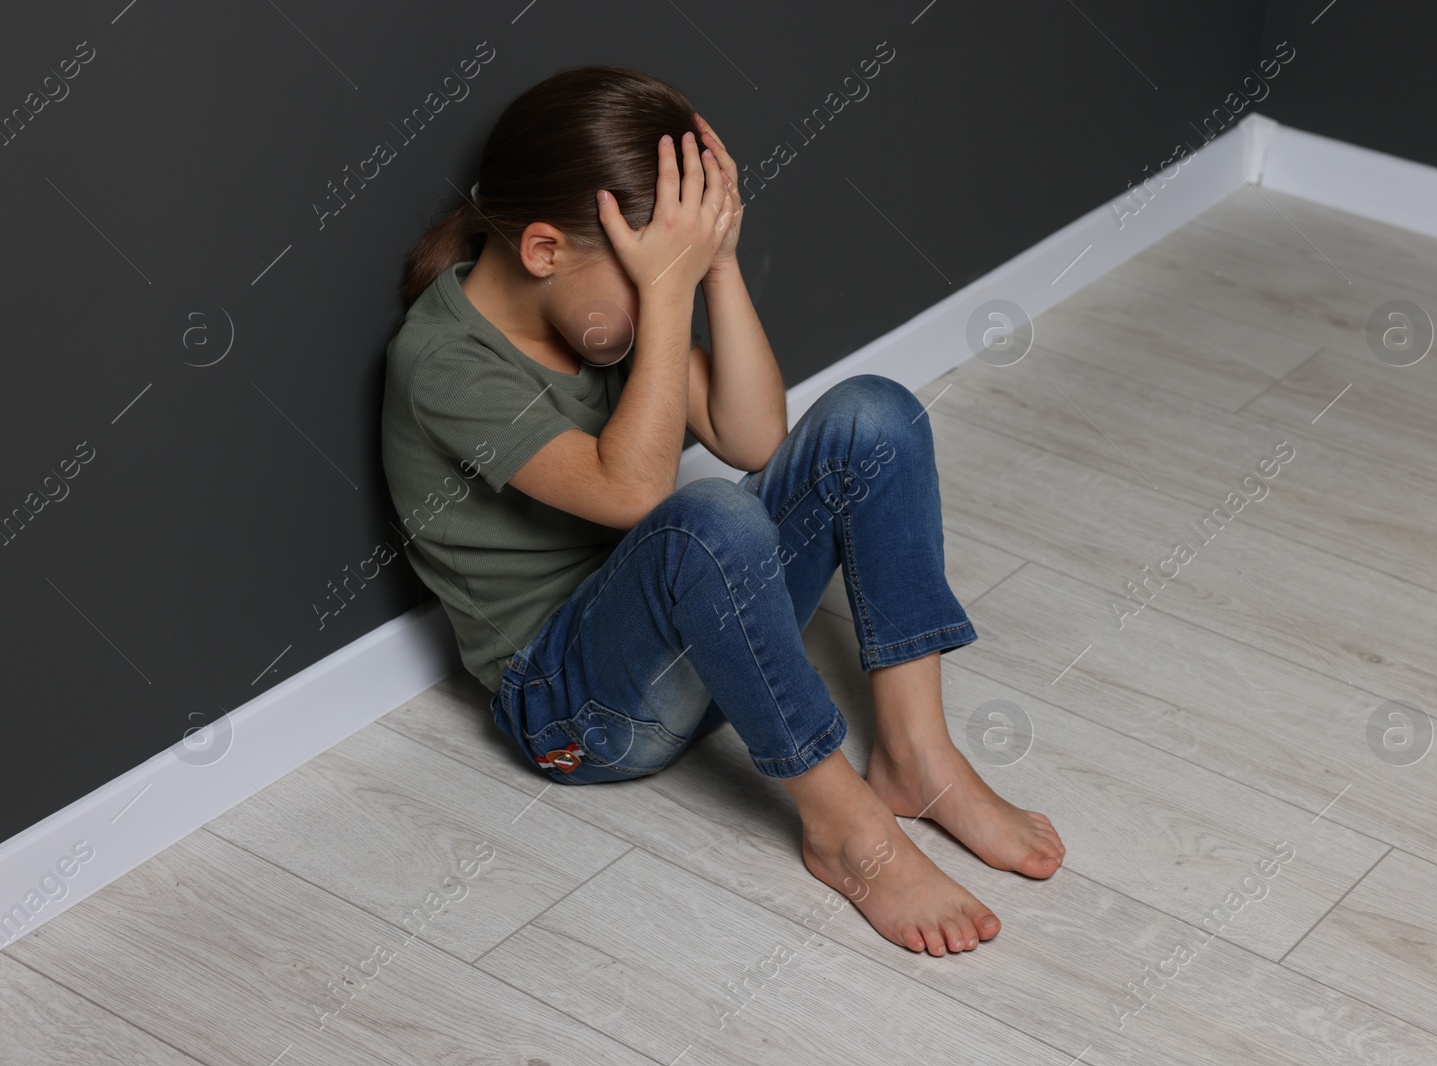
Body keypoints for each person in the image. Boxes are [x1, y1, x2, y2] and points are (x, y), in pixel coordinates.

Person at [379, 65, 1063, 957]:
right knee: (707, 518)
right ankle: (845, 830)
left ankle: (915, 755)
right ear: (543, 252)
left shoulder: (601, 311)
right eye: (649, 277)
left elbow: (754, 434)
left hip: (707, 642)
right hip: (575, 708)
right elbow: (636, 497)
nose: (665, 292)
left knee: (875, 414)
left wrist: (718, 267)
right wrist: (665, 296)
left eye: (675, 274)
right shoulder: (444, 362)